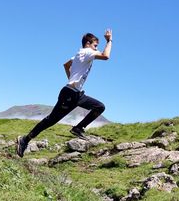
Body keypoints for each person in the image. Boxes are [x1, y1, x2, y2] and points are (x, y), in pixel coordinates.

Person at [16, 29, 113, 157]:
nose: (96, 48)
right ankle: (25, 139)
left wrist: (71, 80)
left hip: (76, 94)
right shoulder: (87, 51)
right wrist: (109, 40)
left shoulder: (79, 55)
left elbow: (66, 65)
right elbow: (106, 56)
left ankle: (78, 128)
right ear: (88, 43)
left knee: (99, 106)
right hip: (70, 94)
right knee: (51, 120)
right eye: (95, 45)